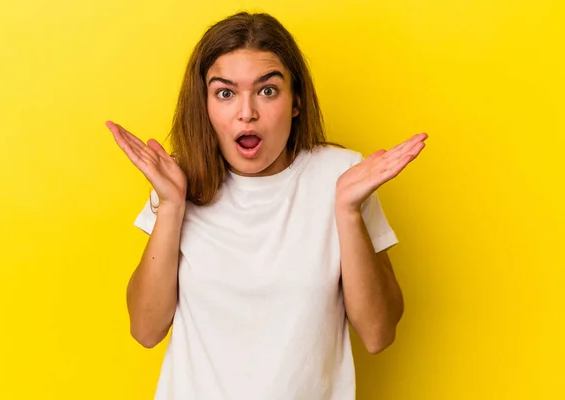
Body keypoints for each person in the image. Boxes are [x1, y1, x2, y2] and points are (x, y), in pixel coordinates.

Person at [106, 11, 427, 400]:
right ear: (205, 106)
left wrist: (346, 211)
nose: (247, 112)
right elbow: (145, 329)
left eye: (267, 90)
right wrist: (171, 206)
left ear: (296, 102)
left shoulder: (343, 177)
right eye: (225, 93)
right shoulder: (178, 183)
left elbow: (378, 334)